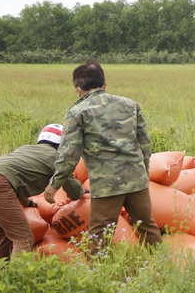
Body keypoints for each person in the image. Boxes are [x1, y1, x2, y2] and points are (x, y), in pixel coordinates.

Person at [44, 60, 162, 255]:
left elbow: (69, 154)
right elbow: (145, 144)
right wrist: (143, 172)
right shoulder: (131, 105)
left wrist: (55, 184)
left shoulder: (77, 112)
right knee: (147, 226)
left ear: (78, 88)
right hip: (136, 178)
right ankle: (162, 263)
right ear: (104, 85)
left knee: (99, 234)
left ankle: (98, 278)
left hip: (106, 184)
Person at [0, 124, 85, 260]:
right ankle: (18, 278)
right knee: (23, 237)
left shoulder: (27, 149)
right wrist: (84, 192)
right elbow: (75, 192)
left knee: (3, 232)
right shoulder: (57, 158)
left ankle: (1, 273)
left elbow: (16, 180)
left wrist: (27, 202)